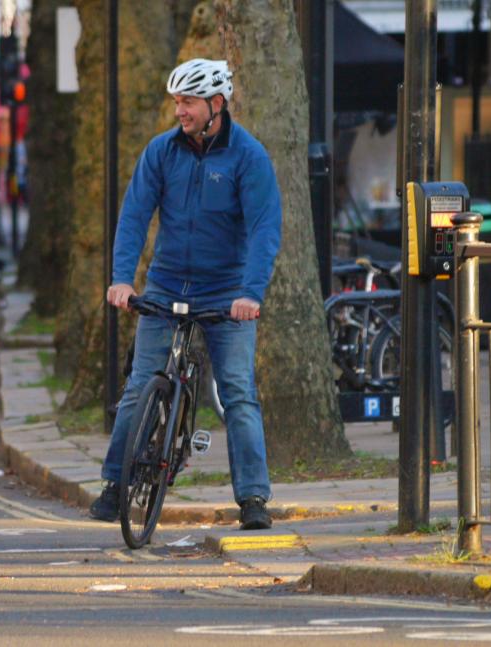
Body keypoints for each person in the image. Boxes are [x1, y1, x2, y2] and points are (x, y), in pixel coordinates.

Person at [88, 59, 282, 531]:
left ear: (216, 104)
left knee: (237, 394)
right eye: (177, 101)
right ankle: (115, 485)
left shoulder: (248, 157)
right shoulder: (161, 152)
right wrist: (121, 280)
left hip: (226, 293)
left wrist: (250, 293)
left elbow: (264, 228)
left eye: (188, 102)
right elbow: (134, 216)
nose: (180, 110)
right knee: (139, 385)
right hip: (167, 283)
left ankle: (253, 498)